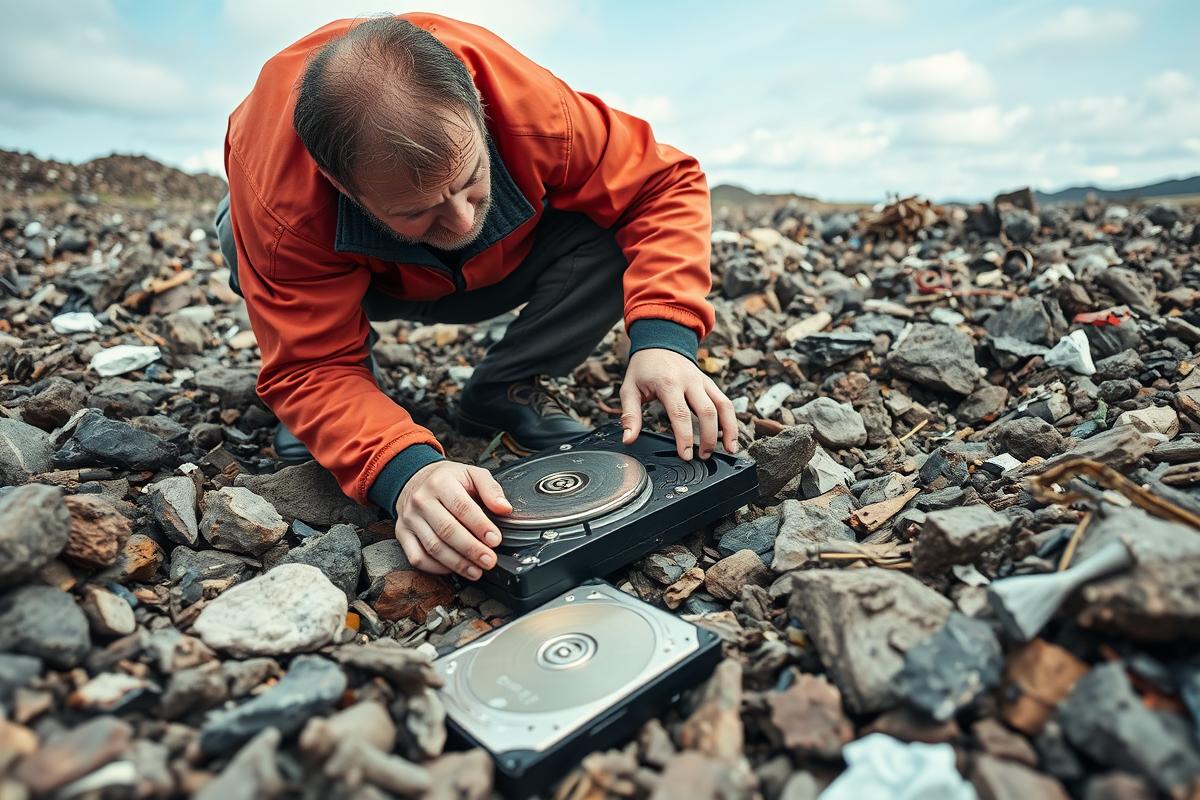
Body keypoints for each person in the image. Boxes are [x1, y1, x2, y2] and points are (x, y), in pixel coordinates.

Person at [214, 13, 737, 585]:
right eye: (418, 210)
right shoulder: (279, 197)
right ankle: (339, 415)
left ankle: (504, 390)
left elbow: (663, 185)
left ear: (480, 116)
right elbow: (310, 365)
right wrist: (401, 470)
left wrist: (665, 339)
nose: (462, 222)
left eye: (471, 182)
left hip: (507, 265)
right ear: (342, 185)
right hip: (365, 282)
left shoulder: (532, 108)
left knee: (613, 216)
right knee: (235, 236)